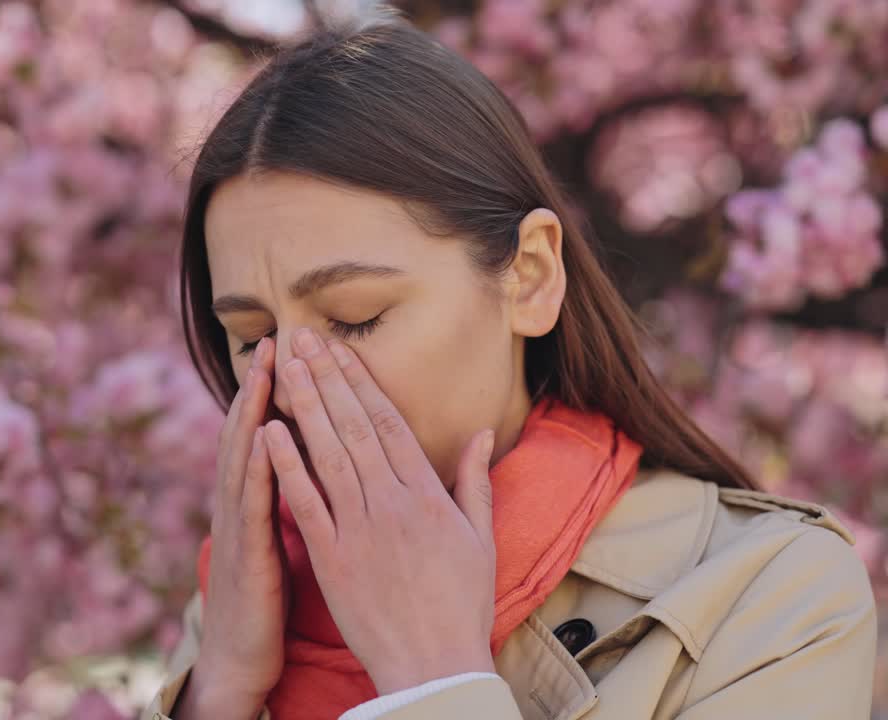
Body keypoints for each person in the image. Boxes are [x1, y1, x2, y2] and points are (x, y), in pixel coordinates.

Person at [141, 9, 877, 720]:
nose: (296, 388)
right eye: (253, 336)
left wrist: (434, 679)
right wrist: (222, 691)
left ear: (528, 275)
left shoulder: (769, 593)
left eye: (355, 317)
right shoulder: (245, 608)